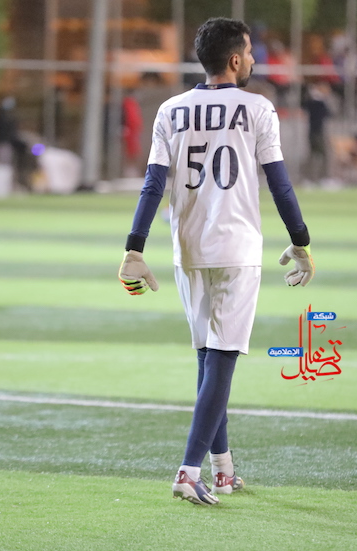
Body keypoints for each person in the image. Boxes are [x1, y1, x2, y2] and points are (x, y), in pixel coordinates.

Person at [118, 17, 314, 506]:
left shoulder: (170, 109)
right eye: (249, 52)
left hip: (188, 247)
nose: (253, 60)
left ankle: (222, 469)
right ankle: (189, 471)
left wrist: (134, 248)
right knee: (222, 358)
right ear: (234, 59)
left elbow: (153, 184)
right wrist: (301, 241)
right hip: (237, 247)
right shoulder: (258, 107)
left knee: (209, 357)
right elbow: (279, 184)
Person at [301, 81, 333, 184]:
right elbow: (328, 113)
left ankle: (309, 178)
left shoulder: (313, 102)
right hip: (317, 132)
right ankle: (322, 178)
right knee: (322, 155)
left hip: (313, 132)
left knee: (313, 155)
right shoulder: (318, 103)